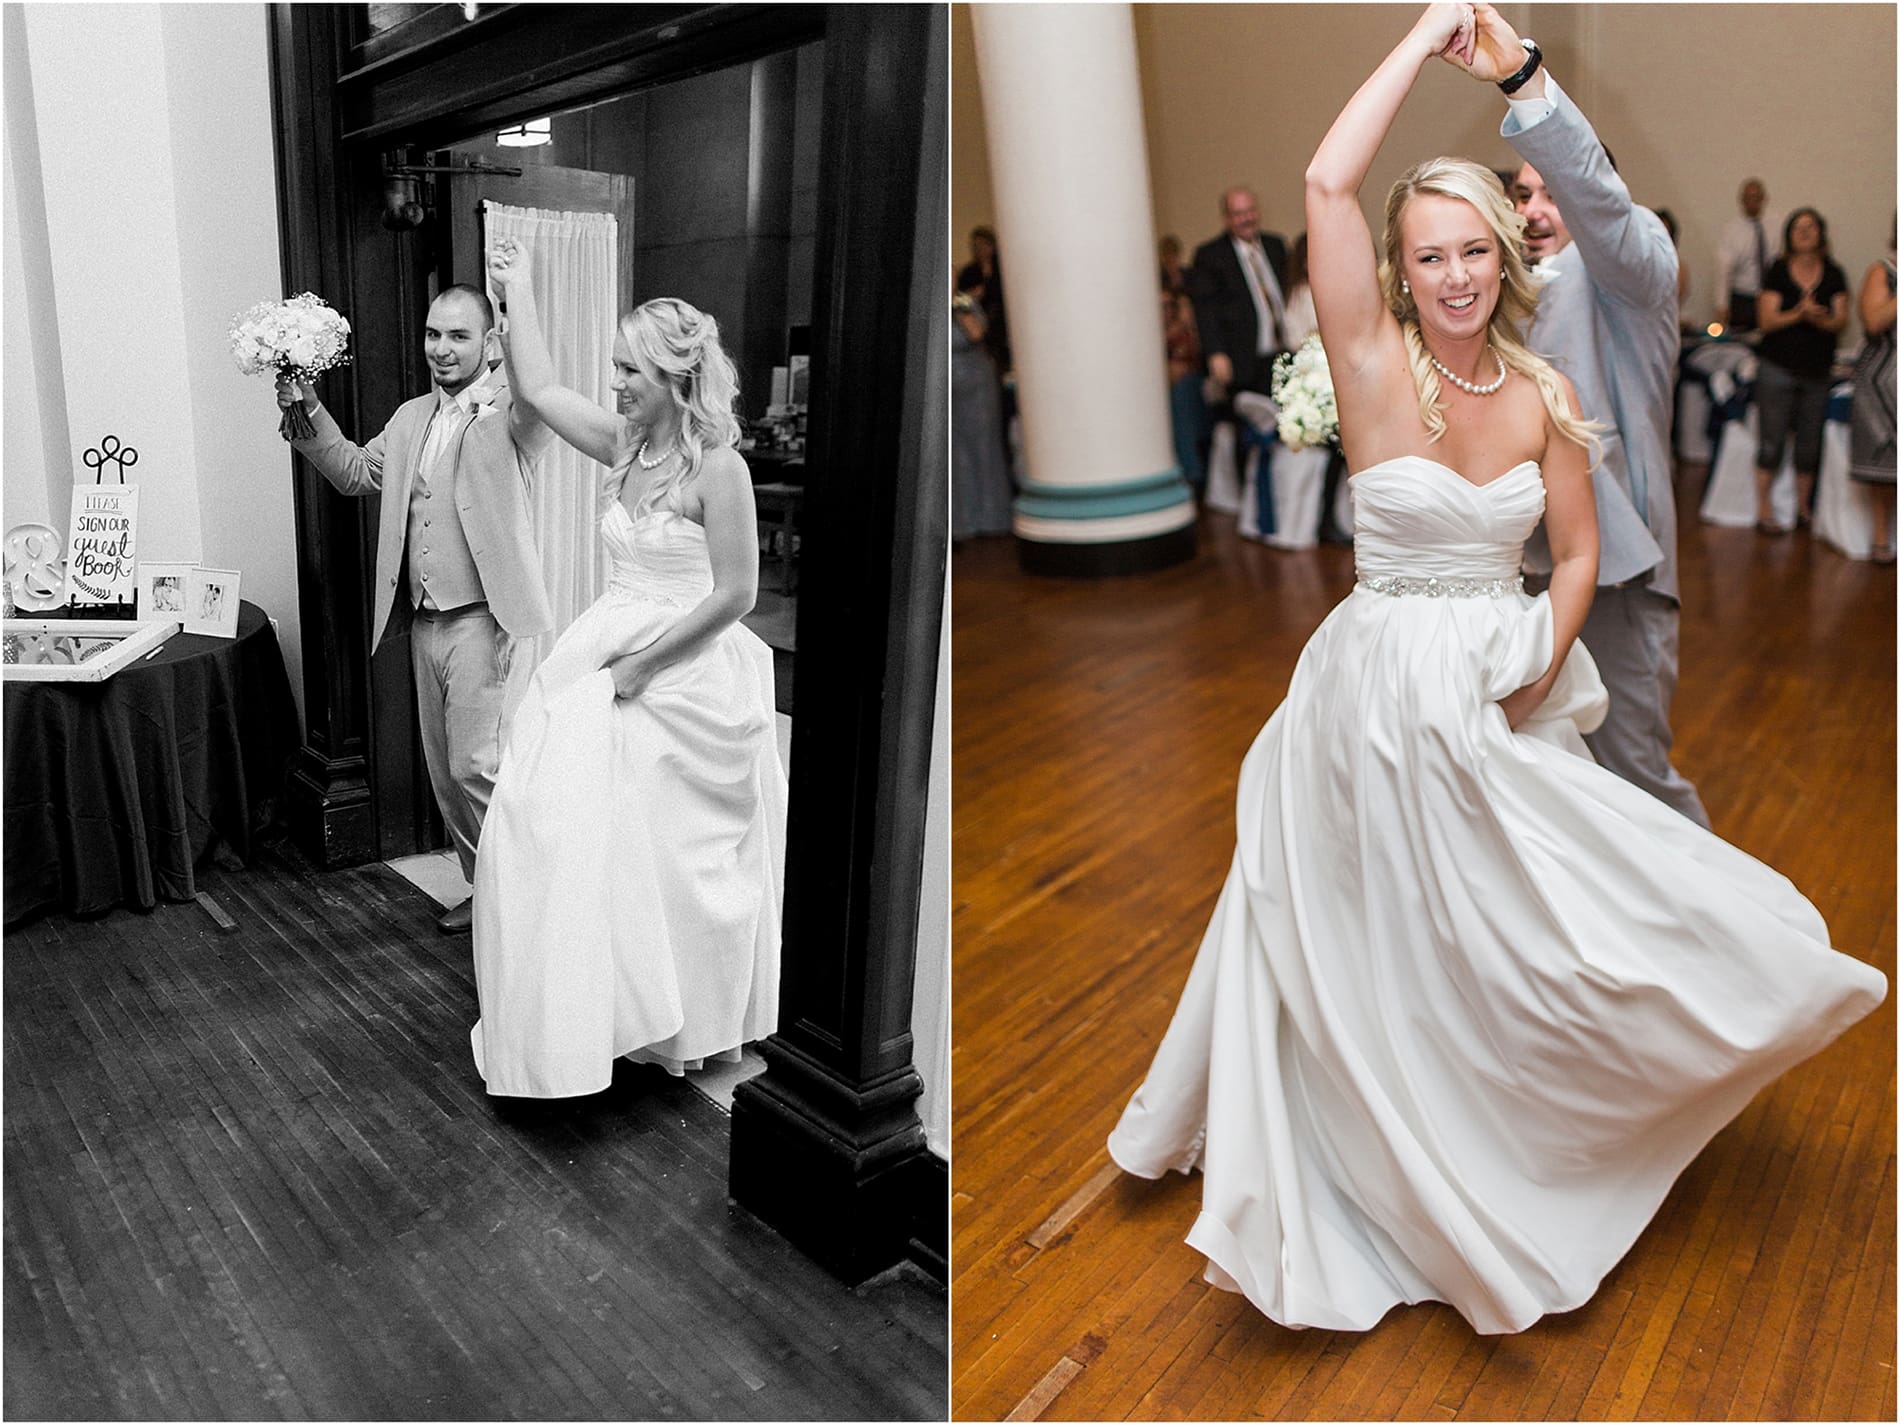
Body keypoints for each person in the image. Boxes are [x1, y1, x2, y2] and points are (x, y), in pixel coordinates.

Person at [1105, 3, 1885, 1337]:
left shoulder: (1565, 356)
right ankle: (1372, 1151)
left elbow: (1574, 553)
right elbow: (1326, 185)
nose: (1463, 269)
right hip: (1367, 689)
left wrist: (1529, 667)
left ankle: (1570, 1092)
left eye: (1482, 243)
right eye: (1437, 252)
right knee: (1361, 930)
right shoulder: (1364, 365)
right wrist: (1415, 47)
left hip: (1509, 669)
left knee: (1550, 895)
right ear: (1403, 269)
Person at [470, 239, 785, 1098]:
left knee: (667, 852)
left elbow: (737, 593)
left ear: (676, 380)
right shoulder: (622, 446)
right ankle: (594, 1007)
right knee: (551, 821)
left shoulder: (721, 469)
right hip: (607, 646)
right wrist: (519, 289)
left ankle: (686, 1018)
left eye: (629, 371)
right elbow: (539, 388)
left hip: (683, 669)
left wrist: (643, 668)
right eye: (612, 367)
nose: (614, 384)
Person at [278, 284, 554, 934]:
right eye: (433, 334)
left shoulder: (511, 414)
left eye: (458, 336)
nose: (441, 348)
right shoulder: (407, 420)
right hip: (421, 620)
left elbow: (536, 405)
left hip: (483, 620)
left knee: (474, 765)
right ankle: (486, 893)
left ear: (489, 343)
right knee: (443, 772)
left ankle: (528, 904)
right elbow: (352, 472)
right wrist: (310, 408)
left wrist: (520, 322)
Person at [1493, 12, 1708, 826]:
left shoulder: (1631, 265)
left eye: (1552, 192)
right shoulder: (1502, 290)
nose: (1536, 209)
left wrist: (1523, 80)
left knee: (1634, 778)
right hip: (1521, 573)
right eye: (1521, 193)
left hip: (1623, 571)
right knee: (1548, 783)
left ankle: (1722, 930)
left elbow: (1599, 207)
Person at [1753, 208, 1851, 533]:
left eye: (1811, 227)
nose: (1805, 232)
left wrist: (1818, 317)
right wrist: (1799, 313)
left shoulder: (1834, 273)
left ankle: (1803, 510)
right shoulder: (1778, 271)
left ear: (1821, 233)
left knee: (1809, 444)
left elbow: (1841, 321)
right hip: (1776, 367)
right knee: (1772, 440)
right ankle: (1764, 510)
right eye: (1798, 227)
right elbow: (1766, 321)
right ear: (1789, 234)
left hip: (1817, 372)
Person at [1189, 187, 1290, 404]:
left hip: (1281, 354)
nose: (1246, 219)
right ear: (1226, 218)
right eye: (1238, 214)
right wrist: (1215, 352)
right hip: (1243, 359)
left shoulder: (1275, 246)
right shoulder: (1211, 256)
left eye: (1250, 211)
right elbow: (1206, 309)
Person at [1849, 223, 1897, 562]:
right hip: (1884, 381)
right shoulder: (1884, 271)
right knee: (1885, 460)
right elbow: (1873, 322)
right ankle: (1881, 538)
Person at [953, 288, 1015, 538]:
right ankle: (962, 521)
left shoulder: (966, 304)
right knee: (956, 452)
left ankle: (992, 518)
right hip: (946, 383)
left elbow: (976, 333)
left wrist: (957, 308)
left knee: (984, 447)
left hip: (976, 382)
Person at [1714, 178, 1782, 335]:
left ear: (1764, 198)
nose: (1752, 201)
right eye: (1748, 197)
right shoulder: (1731, 230)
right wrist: (1722, 306)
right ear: (1741, 200)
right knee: (1742, 341)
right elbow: (1723, 271)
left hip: (1770, 296)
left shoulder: (1776, 224)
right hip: (1743, 298)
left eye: (1757, 197)